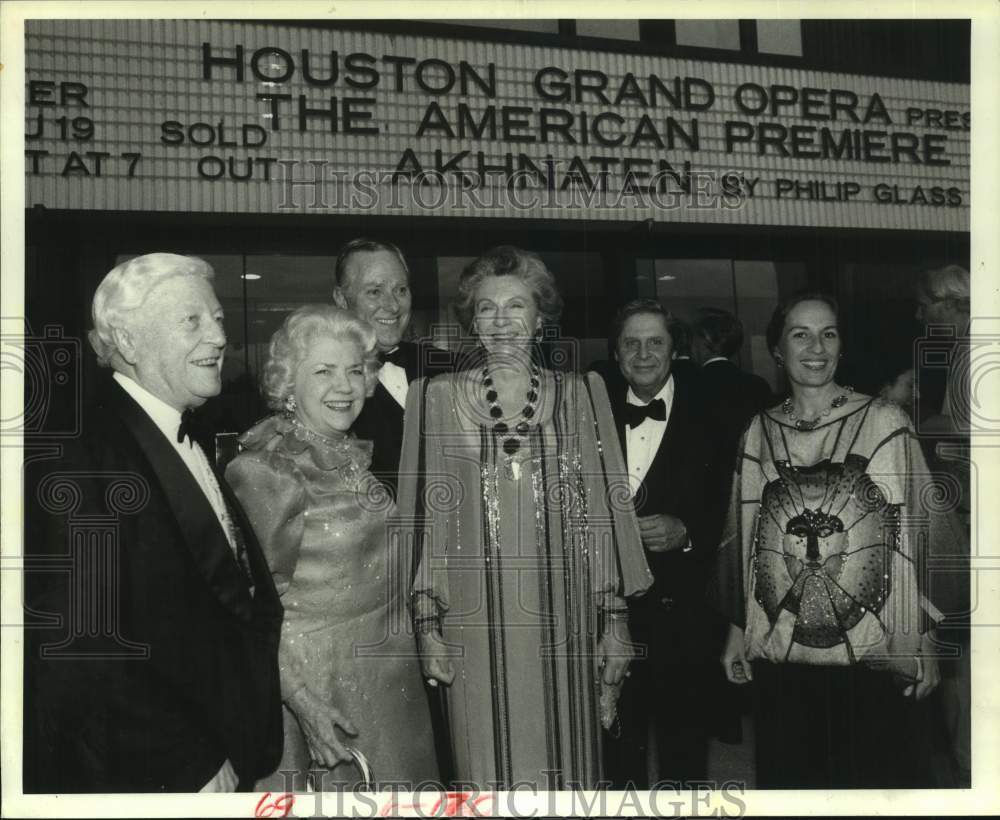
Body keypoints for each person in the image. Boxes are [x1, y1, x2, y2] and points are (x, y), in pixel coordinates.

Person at [23, 253, 283, 792]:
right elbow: (84, 652)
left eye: (217, 319)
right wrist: (188, 767)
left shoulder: (175, 432)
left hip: (225, 746)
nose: (218, 337)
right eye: (192, 320)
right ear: (130, 342)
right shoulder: (82, 457)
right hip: (165, 771)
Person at [397, 247, 653, 789]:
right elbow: (427, 527)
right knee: (483, 776)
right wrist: (427, 626)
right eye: (486, 308)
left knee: (569, 774)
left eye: (517, 306)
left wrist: (616, 621)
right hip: (471, 626)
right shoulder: (435, 398)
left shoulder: (581, 395)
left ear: (541, 320)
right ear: (472, 321)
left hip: (567, 623)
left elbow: (600, 517)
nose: (501, 321)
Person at [713, 290, 966, 788]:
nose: (817, 346)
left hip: (874, 654)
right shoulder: (757, 432)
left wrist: (927, 640)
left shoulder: (885, 423)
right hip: (783, 656)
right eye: (800, 334)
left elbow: (922, 535)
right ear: (778, 350)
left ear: (842, 347)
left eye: (828, 333)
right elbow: (745, 544)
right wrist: (737, 632)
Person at [226, 305, 438, 790]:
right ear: (287, 383)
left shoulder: (350, 453)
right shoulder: (269, 472)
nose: (343, 386)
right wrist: (301, 699)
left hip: (389, 682)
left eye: (354, 370)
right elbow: (245, 614)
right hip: (323, 695)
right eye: (322, 371)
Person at [593, 299, 721, 788]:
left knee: (684, 749)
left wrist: (688, 533)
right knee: (616, 746)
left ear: (675, 350)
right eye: (631, 343)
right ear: (616, 351)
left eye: (655, 342)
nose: (643, 354)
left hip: (685, 611)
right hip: (612, 609)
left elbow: (733, 507)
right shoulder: (593, 411)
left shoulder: (712, 413)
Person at [333, 238, 453, 499]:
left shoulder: (450, 368)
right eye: (374, 291)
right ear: (342, 300)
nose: (393, 306)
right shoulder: (326, 388)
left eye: (400, 290)